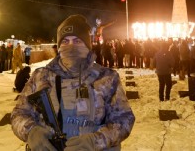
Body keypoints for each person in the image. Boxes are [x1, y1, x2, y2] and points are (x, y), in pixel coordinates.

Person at [11, 14, 135, 150]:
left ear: (87, 45)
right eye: (65, 41)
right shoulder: (41, 76)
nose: (71, 46)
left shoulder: (107, 77)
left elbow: (124, 119)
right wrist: (31, 132)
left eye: (77, 41)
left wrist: (96, 140)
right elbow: (19, 113)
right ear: (58, 46)